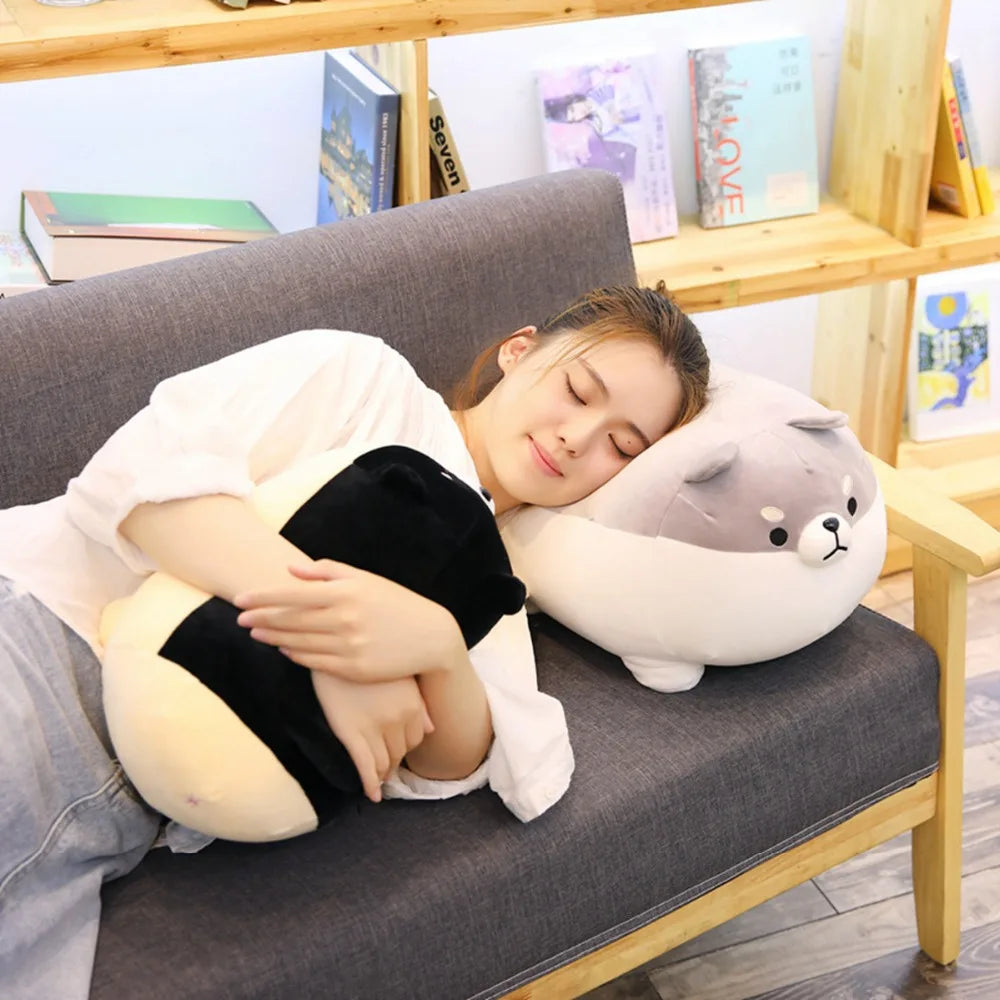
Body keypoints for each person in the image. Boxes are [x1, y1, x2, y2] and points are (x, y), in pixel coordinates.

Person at [0, 281, 709, 999]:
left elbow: (451, 764)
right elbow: (146, 481)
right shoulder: (367, 381)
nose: (577, 439)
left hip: (119, 815)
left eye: (621, 447)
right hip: (45, 643)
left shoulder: (500, 587)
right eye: (578, 392)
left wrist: (433, 645)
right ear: (519, 352)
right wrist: (335, 652)